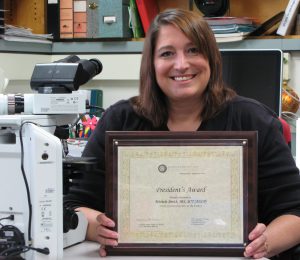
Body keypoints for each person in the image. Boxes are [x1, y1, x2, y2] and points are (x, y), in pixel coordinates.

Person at [64, 8, 300, 259]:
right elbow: (74, 205)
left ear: (211, 57)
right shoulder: (120, 120)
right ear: (151, 64)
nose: (181, 64)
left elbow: (295, 211)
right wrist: (96, 228)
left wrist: (264, 243)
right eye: (167, 53)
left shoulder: (252, 120)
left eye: (193, 50)